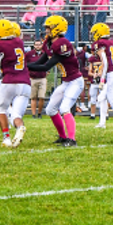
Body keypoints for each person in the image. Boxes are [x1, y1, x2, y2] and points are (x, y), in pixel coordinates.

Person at [26, 15, 84, 146]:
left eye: (48, 28)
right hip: (66, 82)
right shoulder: (49, 43)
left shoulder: (62, 44)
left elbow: (46, 66)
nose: (46, 31)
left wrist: (24, 67)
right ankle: (63, 137)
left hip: (75, 81)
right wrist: (26, 66)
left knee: (64, 108)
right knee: (51, 109)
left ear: (57, 29)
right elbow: (40, 61)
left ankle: (72, 140)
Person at [0, 19, 30, 148]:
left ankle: (6, 138)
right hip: (25, 83)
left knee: (1, 109)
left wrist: (3, 72)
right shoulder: (19, 42)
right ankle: (20, 127)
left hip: (9, 81)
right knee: (16, 115)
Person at [92, 23, 113, 128]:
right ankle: (102, 123)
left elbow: (105, 62)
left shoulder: (100, 44)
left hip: (112, 75)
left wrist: (102, 79)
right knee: (101, 97)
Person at [28, 40, 47, 118]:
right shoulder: (29, 54)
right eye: (36, 45)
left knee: (41, 97)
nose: (38, 46)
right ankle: (33, 114)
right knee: (33, 97)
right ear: (34, 45)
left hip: (42, 77)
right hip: (33, 78)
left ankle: (39, 113)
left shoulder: (44, 54)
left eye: (39, 44)